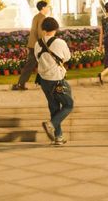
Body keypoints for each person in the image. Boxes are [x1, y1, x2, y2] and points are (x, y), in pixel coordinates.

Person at [36, 17, 73, 145]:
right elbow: (67, 57)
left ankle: (59, 137)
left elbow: (37, 59)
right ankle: (51, 124)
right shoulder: (60, 42)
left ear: (43, 29)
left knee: (54, 107)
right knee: (69, 104)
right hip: (57, 80)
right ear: (56, 28)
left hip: (44, 81)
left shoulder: (38, 43)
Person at [12, 0, 49, 90]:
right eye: (47, 7)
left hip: (33, 44)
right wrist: (44, 43)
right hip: (36, 45)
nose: (48, 8)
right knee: (31, 65)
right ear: (43, 8)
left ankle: (23, 83)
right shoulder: (42, 17)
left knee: (40, 64)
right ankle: (20, 84)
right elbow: (40, 32)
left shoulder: (36, 16)